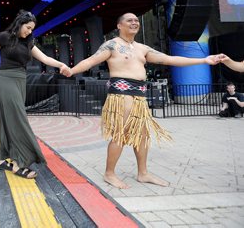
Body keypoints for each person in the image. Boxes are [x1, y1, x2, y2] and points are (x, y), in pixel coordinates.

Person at [68, 12, 219, 189]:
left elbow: (170, 59)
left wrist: (203, 60)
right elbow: (91, 61)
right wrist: (72, 71)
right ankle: (109, 173)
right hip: (121, 95)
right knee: (120, 134)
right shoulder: (111, 45)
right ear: (119, 25)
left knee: (143, 136)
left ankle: (143, 173)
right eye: (129, 20)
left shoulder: (143, 48)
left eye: (136, 21)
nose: (134, 23)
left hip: (140, 96)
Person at [0, 10, 71, 179]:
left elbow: (45, 59)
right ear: (20, 23)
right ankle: (19, 163)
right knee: (18, 120)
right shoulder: (3, 37)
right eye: (28, 28)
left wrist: (61, 65)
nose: (29, 32)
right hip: (7, 81)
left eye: (32, 29)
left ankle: (1, 159)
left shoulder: (29, 42)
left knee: (9, 120)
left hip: (20, 81)